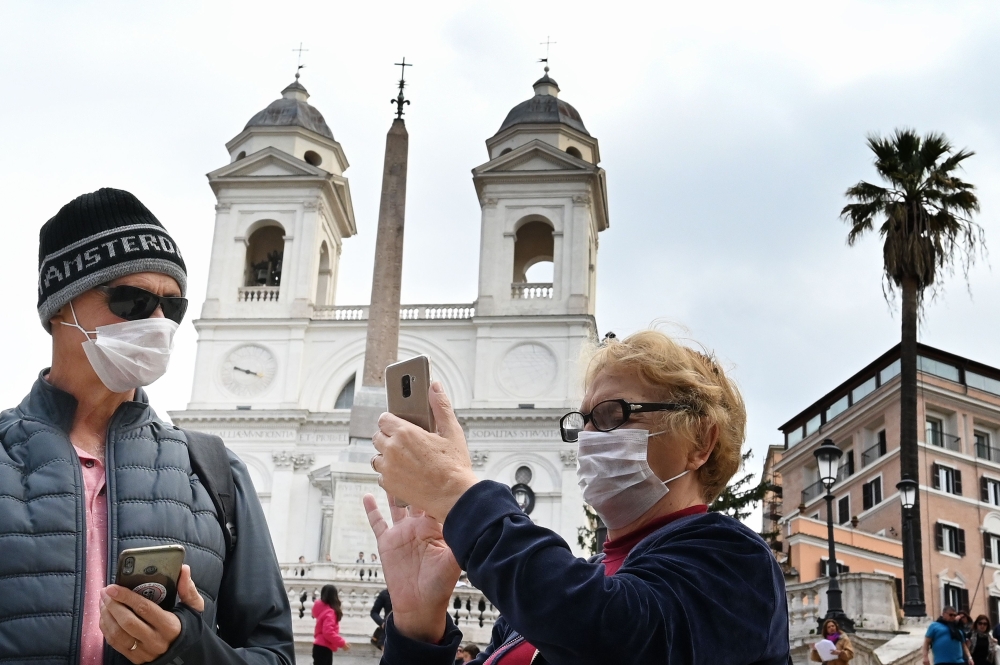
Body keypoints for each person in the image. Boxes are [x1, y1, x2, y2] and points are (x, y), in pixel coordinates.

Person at [365, 330, 790, 664]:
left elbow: (613, 640)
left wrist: (458, 495)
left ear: (700, 440)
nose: (587, 437)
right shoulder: (539, 603)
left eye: (611, 415)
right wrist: (420, 627)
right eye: (582, 421)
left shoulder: (737, 562)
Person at [0, 188, 294, 664]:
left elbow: (274, 654)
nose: (158, 321)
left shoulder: (215, 473)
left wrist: (190, 649)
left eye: (172, 307)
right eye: (131, 300)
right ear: (60, 308)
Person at [312, 585, 350, 665]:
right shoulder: (330, 612)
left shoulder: (321, 610)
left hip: (319, 646)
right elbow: (328, 632)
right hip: (324, 648)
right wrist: (342, 643)